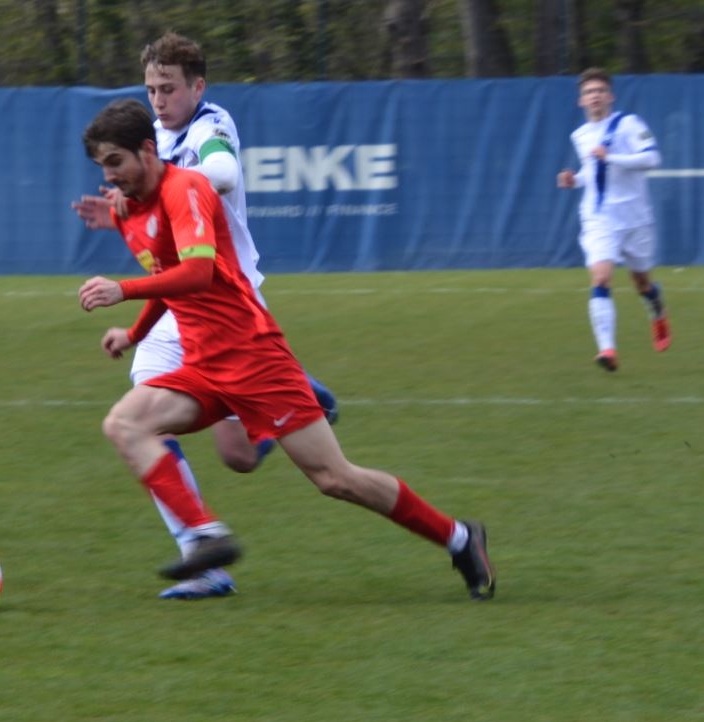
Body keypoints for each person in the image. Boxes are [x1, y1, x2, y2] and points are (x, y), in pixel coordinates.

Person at [76, 98, 496, 602]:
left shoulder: (185, 188)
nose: (109, 176)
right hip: (204, 365)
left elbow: (198, 273)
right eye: (102, 166)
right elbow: (170, 281)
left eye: (116, 162)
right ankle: (206, 536)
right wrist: (136, 333)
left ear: (148, 150)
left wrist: (122, 290)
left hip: (253, 358)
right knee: (125, 424)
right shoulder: (134, 208)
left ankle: (460, 537)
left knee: (335, 479)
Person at [73, 32, 338, 600]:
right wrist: (121, 207)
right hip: (178, 301)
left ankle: (298, 397)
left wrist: (165, 177)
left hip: (225, 300)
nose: (159, 99)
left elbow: (223, 174)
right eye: (151, 89)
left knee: (224, 452)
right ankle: (204, 555)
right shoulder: (152, 139)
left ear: (197, 88)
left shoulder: (210, 126)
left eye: (169, 88)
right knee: (161, 430)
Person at [557, 67, 670, 372]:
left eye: (599, 90)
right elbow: (592, 173)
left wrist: (611, 157)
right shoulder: (580, 135)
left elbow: (653, 158)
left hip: (635, 218)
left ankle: (656, 307)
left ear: (611, 96)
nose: (594, 96)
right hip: (599, 217)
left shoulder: (629, 124)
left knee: (641, 282)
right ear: (581, 101)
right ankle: (607, 350)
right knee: (601, 277)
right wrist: (574, 180)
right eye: (588, 92)